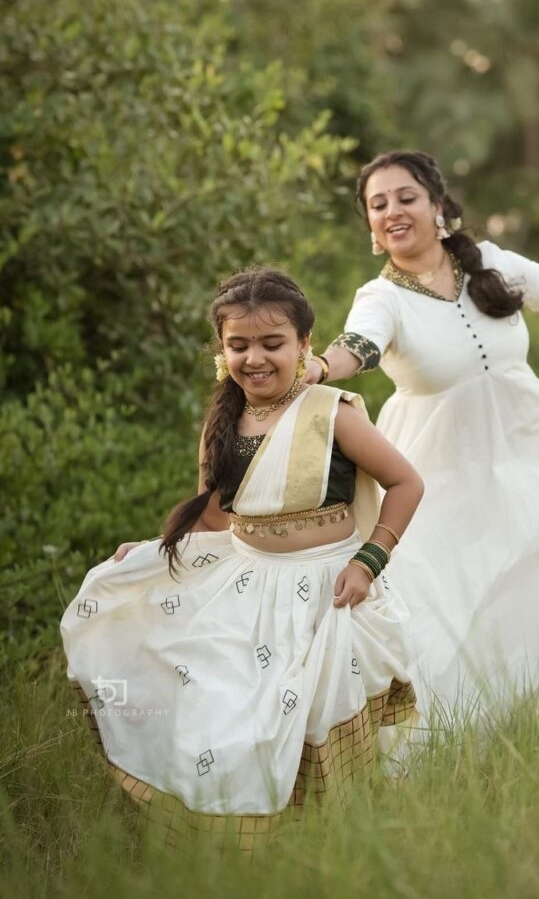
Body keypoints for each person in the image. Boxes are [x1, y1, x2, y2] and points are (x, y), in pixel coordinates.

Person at [61, 267, 423, 851]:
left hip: (327, 592)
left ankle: (335, 848)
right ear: (221, 351)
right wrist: (154, 551)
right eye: (239, 345)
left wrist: (369, 561)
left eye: (272, 343)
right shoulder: (222, 424)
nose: (255, 358)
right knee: (229, 718)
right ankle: (242, 846)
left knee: (312, 718)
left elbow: (406, 483)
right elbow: (216, 516)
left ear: (305, 345)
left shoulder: (334, 412)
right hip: (246, 588)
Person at [304, 150, 539, 719]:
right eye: (378, 205)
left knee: (538, 589)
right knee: (444, 605)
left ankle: (537, 720)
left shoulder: (489, 263)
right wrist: (319, 368)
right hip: (440, 476)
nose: (393, 211)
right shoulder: (382, 298)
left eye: (406, 198)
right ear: (372, 230)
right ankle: (436, 733)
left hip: (528, 455)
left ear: (437, 205)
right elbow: (359, 346)